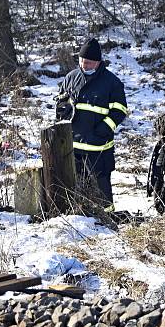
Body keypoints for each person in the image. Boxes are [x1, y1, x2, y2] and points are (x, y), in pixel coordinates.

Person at [56, 38, 127, 210]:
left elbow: (120, 111)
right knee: (75, 184)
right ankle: (82, 216)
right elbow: (59, 103)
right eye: (81, 62)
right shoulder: (71, 78)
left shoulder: (112, 83)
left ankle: (107, 218)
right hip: (74, 146)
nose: (84, 66)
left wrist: (102, 131)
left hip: (98, 148)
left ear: (98, 62)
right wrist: (62, 110)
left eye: (88, 63)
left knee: (101, 188)